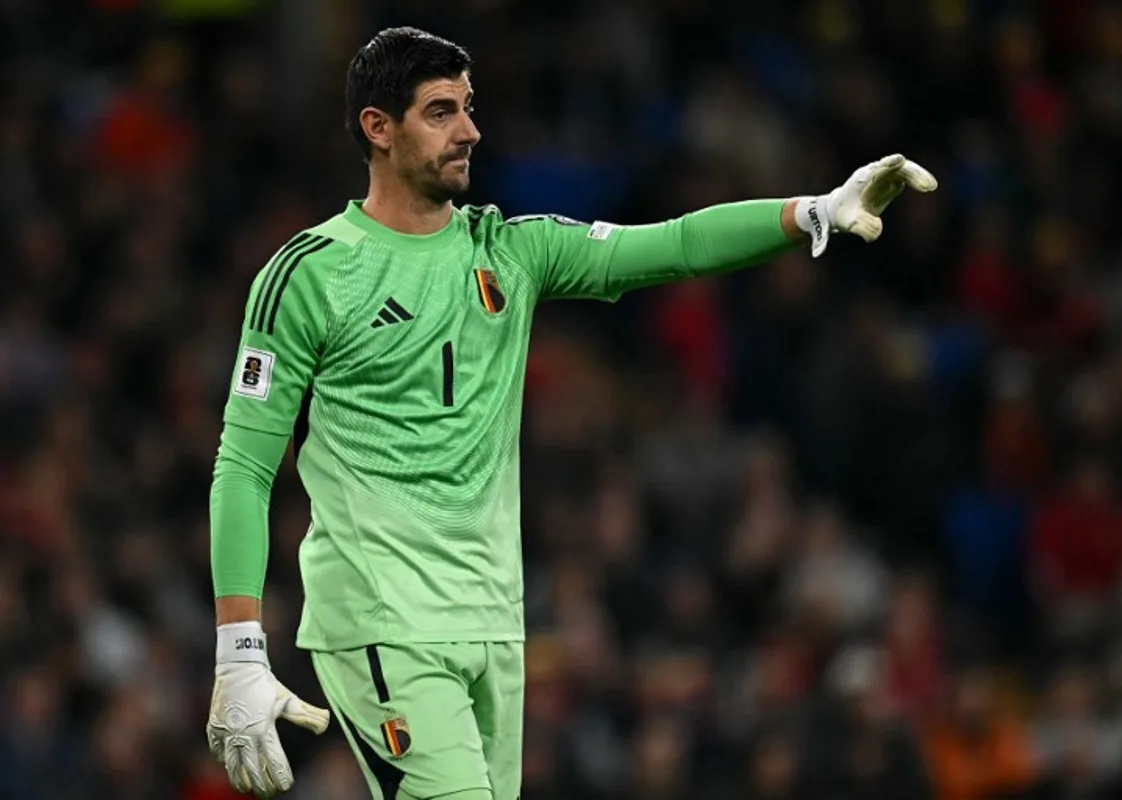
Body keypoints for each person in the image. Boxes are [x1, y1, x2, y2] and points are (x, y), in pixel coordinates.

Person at [204, 26, 937, 800]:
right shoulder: (310, 275)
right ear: (377, 129)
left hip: (494, 621)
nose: (470, 131)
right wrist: (239, 651)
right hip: (383, 621)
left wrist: (813, 211)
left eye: (469, 108)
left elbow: (674, 245)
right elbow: (244, 466)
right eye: (441, 112)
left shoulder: (510, 253)